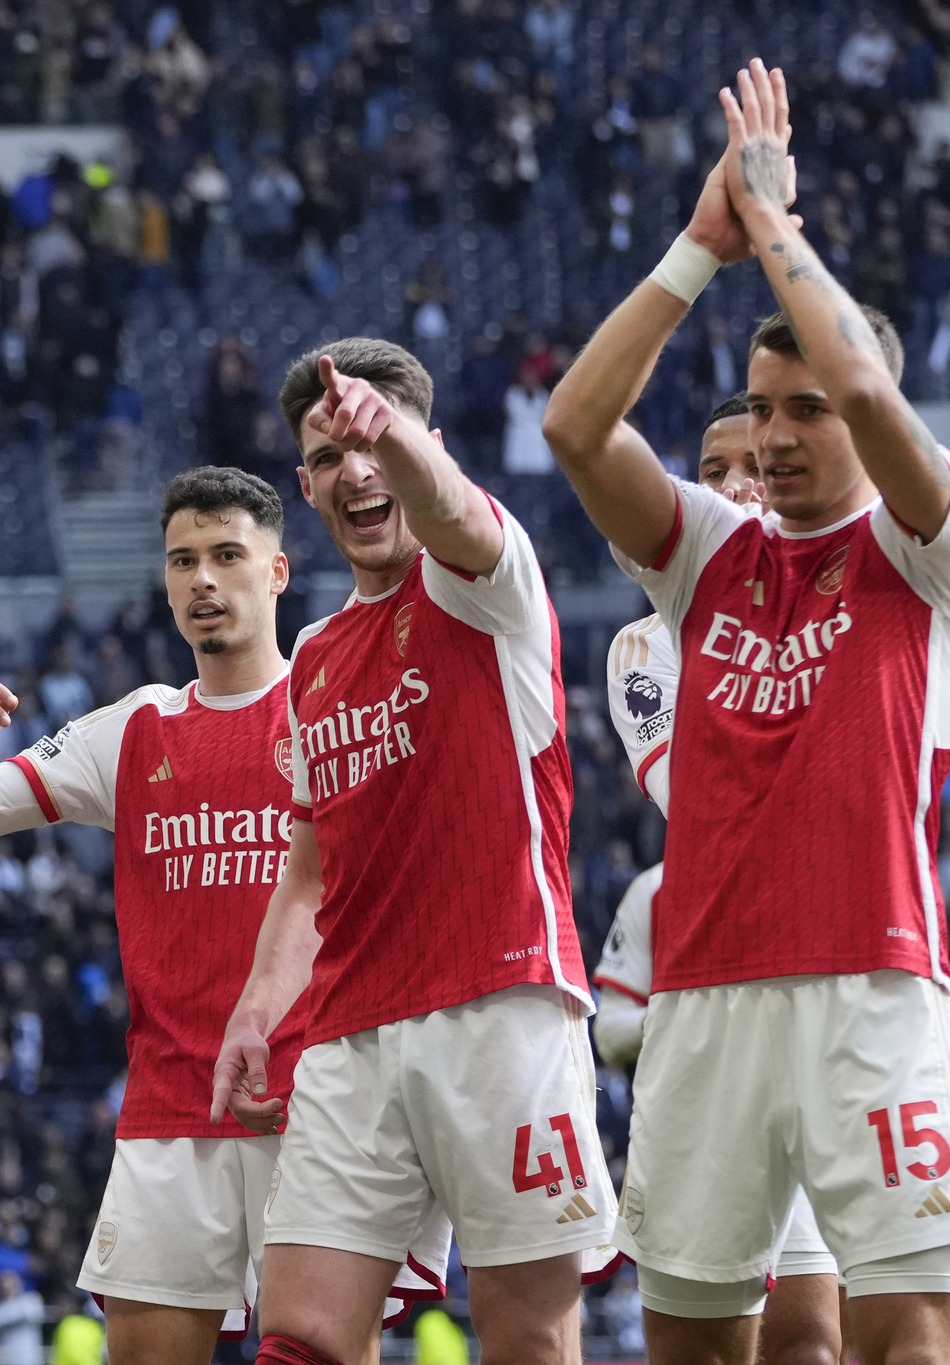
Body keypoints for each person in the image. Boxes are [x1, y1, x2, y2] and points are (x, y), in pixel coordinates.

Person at [541, 59, 950, 1365]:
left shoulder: (933, 543)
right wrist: (701, 244)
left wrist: (780, 225)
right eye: (760, 410)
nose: (782, 437)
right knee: (696, 1343)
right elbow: (579, 425)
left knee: (907, 1336)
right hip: (705, 1005)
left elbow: (865, 389)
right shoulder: (705, 561)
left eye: (807, 411)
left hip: (875, 985)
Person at [0, 466, 442, 1365]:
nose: (203, 579)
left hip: (312, 1108)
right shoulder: (134, 729)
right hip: (168, 1111)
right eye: (183, 560)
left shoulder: (337, 707)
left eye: (227, 555)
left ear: (277, 571)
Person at [213, 336, 614, 1365]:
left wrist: (383, 434)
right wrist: (260, 1007)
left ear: (419, 447)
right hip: (348, 1035)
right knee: (296, 1337)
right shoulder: (310, 657)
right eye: (324, 453)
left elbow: (450, 510)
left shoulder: (485, 580)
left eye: (371, 441)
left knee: (526, 1338)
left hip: (501, 1003)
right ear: (303, 489)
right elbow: (307, 860)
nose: (353, 469)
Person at [596, 396, 950, 1365]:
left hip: (853, 983)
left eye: (754, 462)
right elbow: (689, 799)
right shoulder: (644, 645)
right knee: (716, 1330)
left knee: (813, 1339)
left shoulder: (869, 582)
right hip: (726, 991)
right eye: (711, 470)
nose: (738, 481)